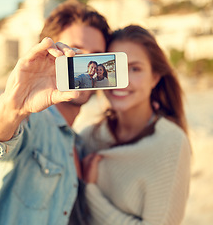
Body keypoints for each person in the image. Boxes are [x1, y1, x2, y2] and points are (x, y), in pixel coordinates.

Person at [0, 0, 110, 225]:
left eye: (95, 55)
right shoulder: (27, 120)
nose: (85, 63)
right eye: (75, 51)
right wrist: (13, 106)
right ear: (51, 53)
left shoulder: (79, 145)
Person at [80, 25, 191, 225]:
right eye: (114, 67)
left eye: (135, 69)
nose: (122, 80)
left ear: (155, 78)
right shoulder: (88, 138)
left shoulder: (171, 143)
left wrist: (90, 191)